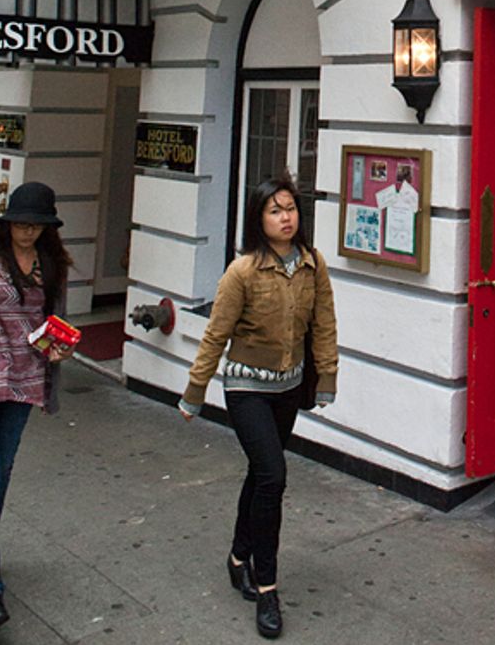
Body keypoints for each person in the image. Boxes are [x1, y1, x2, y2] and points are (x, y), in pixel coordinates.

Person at [179, 175, 338, 640]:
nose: (286, 218)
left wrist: (327, 379)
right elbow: (216, 334)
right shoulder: (243, 271)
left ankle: (237, 556)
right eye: (275, 210)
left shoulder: (312, 264)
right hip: (247, 389)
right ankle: (267, 586)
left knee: (261, 474)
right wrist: (195, 391)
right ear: (258, 218)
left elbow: (324, 324)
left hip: (288, 388)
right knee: (274, 476)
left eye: (291, 209)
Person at [0, 182, 73, 630]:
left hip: (25, 381)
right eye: (21, 224)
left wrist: (60, 346)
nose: (27, 232)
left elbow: (54, 320)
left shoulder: (51, 264)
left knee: (1, 471)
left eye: (36, 226)